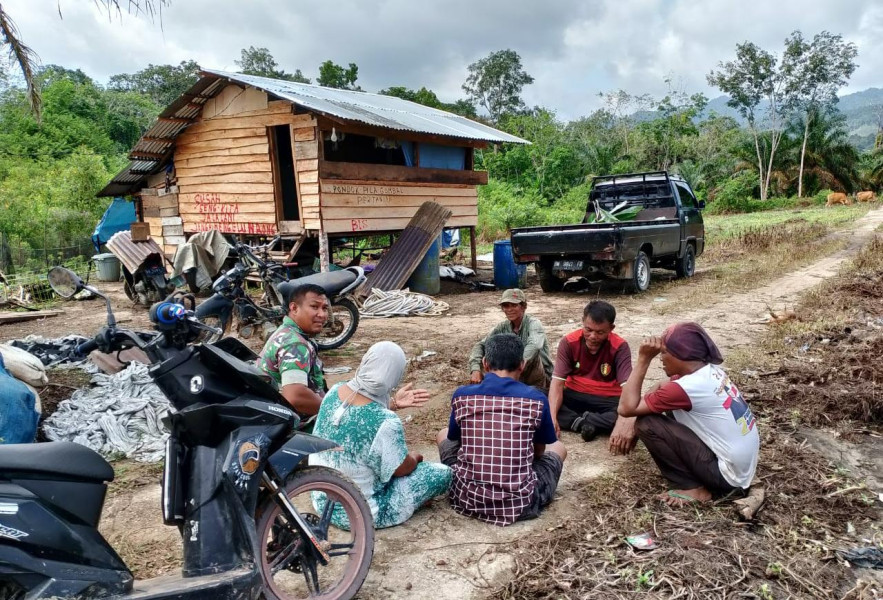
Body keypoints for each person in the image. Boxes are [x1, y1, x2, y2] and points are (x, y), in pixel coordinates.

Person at [310, 342, 451, 528]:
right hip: (361, 512)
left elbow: (358, 415)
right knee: (443, 473)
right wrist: (415, 459)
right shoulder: (386, 421)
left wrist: (393, 403)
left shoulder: (334, 391)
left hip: (322, 500)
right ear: (395, 375)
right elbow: (401, 470)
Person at [617, 322, 760, 506]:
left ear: (681, 355)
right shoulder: (708, 372)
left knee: (647, 423)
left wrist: (643, 360)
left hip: (728, 479)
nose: (661, 358)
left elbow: (625, 408)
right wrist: (629, 420)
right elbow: (661, 386)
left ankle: (693, 487)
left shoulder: (686, 388)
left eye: (664, 352)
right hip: (741, 469)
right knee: (657, 408)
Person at [439, 334, 567, 526]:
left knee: (442, 434)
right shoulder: (536, 400)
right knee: (558, 448)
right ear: (522, 365)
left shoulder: (462, 396)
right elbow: (539, 452)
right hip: (520, 503)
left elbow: (455, 440)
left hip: (466, 498)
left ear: (485, 363)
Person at [548, 300, 635, 453]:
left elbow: (628, 389)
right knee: (536, 397)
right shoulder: (569, 342)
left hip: (607, 400)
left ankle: (581, 420)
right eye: (588, 329)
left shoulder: (620, 347)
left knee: (636, 416)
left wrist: (623, 423)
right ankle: (582, 423)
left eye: (600, 332)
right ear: (582, 322)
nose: (593, 336)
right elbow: (557, 384)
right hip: (574, 395)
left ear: (611, 329)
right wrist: (551, 418)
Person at [257, 283, 329, 418]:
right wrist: (332, 412)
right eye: (314, 307)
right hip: (292, 422)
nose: (322, 314)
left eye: (325, 308)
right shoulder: (295, 344)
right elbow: (295, 396)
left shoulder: (286, 331)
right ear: (294, 308)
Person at [468, 289, 553, 391]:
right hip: (514, 373)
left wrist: (514, 367)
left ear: (523, 307)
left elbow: (534, 346)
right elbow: (481, 345)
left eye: (514, 305)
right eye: (506, 306)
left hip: (537, 375)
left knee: (531, 354)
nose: (510, 309)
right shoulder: (502, 327)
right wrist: (475, 369)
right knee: (492, 353)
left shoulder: (534, 323)